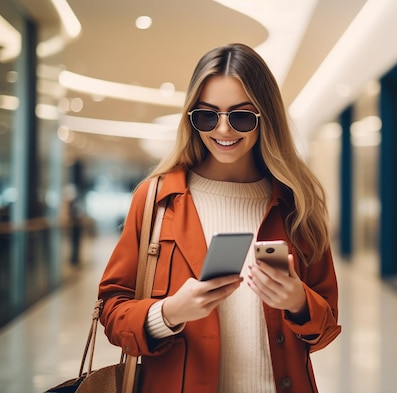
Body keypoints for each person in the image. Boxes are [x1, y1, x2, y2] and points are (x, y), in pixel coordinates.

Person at [98, 43, 341, 393]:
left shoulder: (296, 204)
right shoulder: (156, 198)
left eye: (241, 116)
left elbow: (327, 327)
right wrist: (168, 313)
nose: (224, 131)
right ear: (191, 118)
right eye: (207, 116)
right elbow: (111, 310)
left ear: (265, 118)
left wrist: (298, 302)